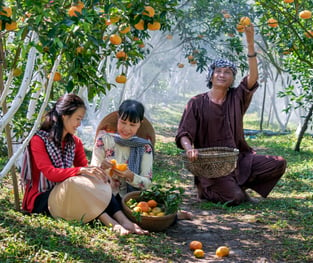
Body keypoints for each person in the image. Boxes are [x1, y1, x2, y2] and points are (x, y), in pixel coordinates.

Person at [175, 24, 287, 206]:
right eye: (218, 71)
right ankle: (207, 189)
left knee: (278, 163)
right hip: (211, 165)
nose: (222, 75)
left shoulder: (237, 97)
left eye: (227, 72)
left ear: (233, 79)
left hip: (238, 159)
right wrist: (189, 149)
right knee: (235, 198)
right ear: (211, 76)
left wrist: (250, 45)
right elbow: (184, 133)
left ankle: (233, 184)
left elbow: (253, 77)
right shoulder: (196, 102)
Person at [21, 93, 148, 235]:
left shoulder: (75, 142)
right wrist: (82, 171)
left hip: (68, 194)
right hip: (42, 198)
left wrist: (98, 173)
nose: (79, 124)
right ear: (64, 116)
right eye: (77, 118)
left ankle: (124, 221)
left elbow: (86, 172)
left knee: (93, 180)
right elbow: (51, 173)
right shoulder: (38, 140)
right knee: (75, 182)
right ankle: (111, 223)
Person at [91, 99, 192, 220]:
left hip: (130, 196)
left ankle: (172, 216)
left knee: (148, 210)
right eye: (123, 122)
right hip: (105, 192)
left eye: (132, 125)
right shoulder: (104, 140)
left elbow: (147, 183)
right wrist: (102, 168)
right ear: (118, 118)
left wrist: (131, 176)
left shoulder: (144, 147)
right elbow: (93, 172)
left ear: (140, 124)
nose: (126, 128)